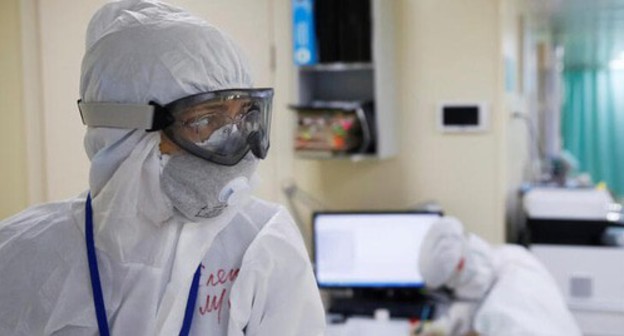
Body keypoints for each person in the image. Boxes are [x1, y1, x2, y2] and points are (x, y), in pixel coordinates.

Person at [0, 1, 326, 335]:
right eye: (204, 120)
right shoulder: (21, 254)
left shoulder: (260, 242)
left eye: (245, 115)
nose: (234, 144)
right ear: (123, 134)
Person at [415, 217, 581, 336]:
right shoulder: (510, 256)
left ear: (459, 267)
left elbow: (486, 311)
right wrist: (444, 327)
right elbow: (473, 301)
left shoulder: (501, 314)